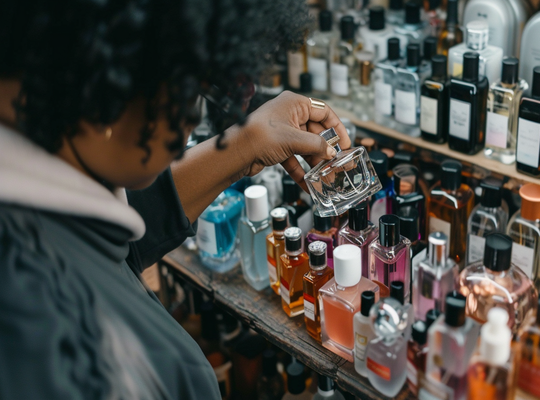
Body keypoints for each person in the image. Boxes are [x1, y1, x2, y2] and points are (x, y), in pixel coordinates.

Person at [0, 1, 349, 399]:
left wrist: (247, 144)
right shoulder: (34, 321)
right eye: (191, 88)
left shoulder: (50, 199)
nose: (190, 118)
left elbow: (117, 239)